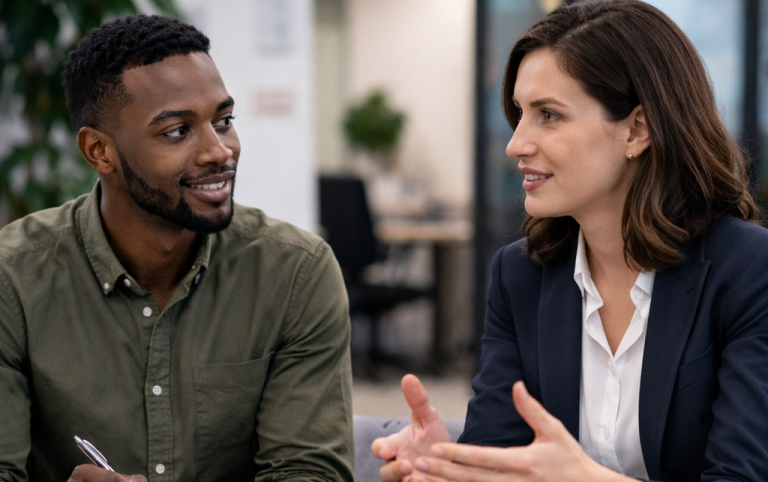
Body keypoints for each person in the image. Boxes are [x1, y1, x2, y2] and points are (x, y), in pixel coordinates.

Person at [372, 1, 768, 481]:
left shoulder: (748, 269)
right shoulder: (519, 276)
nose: (516, 144)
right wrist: (454, 465)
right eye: (520, 113)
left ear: (637, 129)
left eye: (549, 115)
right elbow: (503, 456)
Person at [0, 15, 353, 482]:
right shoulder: (13, 280)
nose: (219, 151)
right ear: (99, 152)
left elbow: (309, 473)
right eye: (177, 132)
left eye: (223, 121)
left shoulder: (295, 274)